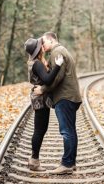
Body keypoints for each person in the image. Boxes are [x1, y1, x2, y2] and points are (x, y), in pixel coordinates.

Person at [34, 32, 82, 174]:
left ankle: (66, 164)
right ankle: (70, 163)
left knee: (66, 131)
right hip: (71, 97)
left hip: (64, 97)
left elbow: (56, 78)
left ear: (50, 40)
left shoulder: (57, 52)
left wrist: (42, 89)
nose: (42, 46)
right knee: (71, 130)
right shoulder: (63, 50)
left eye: (43, 42)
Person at [24, 37, 64, 171]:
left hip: (38, 98)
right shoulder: (37, 64)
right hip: (40, 99)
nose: (43, 46)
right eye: (41, 45)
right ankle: (34, 161)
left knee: (40, 129)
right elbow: (47, 79)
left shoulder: (32, 62)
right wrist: (57, 66)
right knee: (40, 130)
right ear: (39, 49)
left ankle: (34, 159)